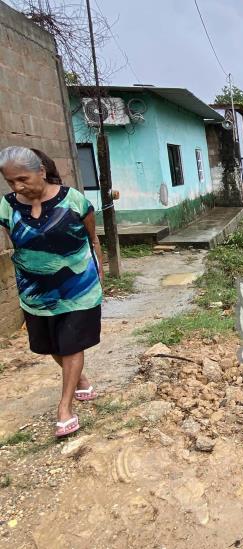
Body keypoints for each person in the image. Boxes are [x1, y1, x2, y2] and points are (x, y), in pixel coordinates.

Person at [0, 146, 104, 437]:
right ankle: (80, 380)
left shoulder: (74, 201)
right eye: (11, 182)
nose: (18, 186)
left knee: (71, 344)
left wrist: (100, 274)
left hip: (78, 287)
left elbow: (92, 239)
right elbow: (19, 244)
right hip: (35, 293)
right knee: (52, 346)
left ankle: (65, 408)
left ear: (41, 172)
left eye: (23, 179)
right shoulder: (6, 207)